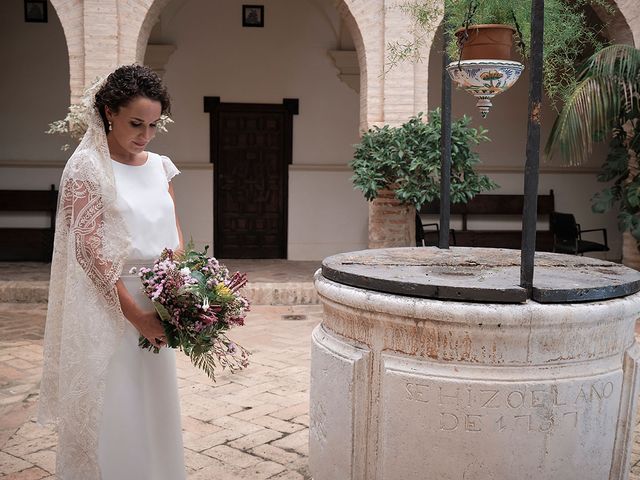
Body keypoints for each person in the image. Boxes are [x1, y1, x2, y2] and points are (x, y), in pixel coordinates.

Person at [38, 64, 186, 480]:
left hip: (159, 301)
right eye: (136, 123)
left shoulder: (160, 166)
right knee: (116, 405)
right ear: (108, 112)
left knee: (154, 402)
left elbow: (175, 233)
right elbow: (89, 254)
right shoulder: (86, 167)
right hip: (110, 304)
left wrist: (181, 295)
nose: (145, 134)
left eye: (154, 125)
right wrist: (135, 315)